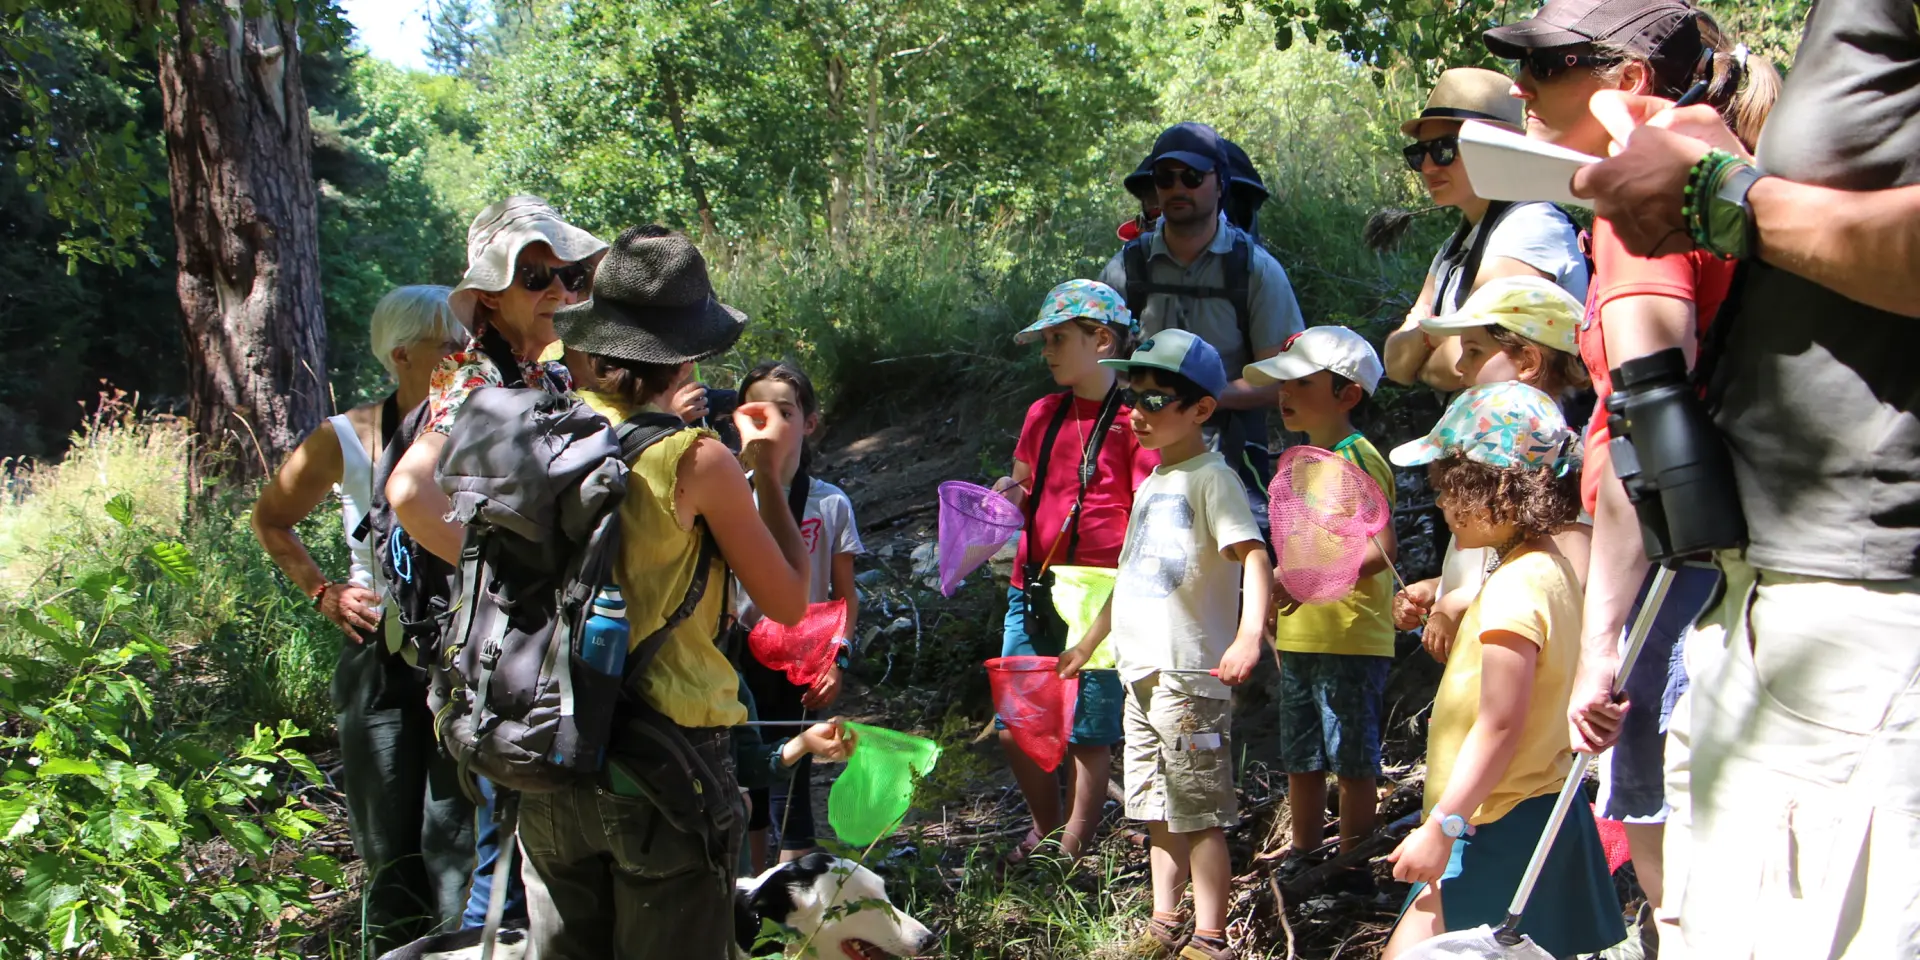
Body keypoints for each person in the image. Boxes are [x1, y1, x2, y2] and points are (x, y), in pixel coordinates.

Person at [1566, 0, 1920, 954]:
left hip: (1867, 616)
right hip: (1764, 597)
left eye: (1551, 64)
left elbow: (1650, 381)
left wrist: (1728, 197)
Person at [1481, 0, 1778, 943]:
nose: (1522, 87)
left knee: (1686, 875)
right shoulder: (1725, 161)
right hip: (1759, 559)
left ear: (1628, 84)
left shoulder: (1642, 187)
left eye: (1552, 63)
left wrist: (1600, 644)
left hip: (1682, 577)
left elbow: (1646, 418)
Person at [519, 224, 821, 959]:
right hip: (664, 762)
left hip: (545, 752)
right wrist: (771, 482)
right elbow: (787, 602)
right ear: (688, 353)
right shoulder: (698, 460)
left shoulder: (544, 430)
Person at [385, 196, 608, 933]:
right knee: (505, 857)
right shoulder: (474, 379)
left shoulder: (536, 373)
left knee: (534, 849)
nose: (559, 292)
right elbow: (411, 492)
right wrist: (515, 576)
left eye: (570, 276)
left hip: (528, 656)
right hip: (504, 656)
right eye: (534, 274)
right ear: (487, 294)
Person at [249, 285, 471, 948]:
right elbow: (272, 518)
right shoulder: (346, 437)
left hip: (463, 653)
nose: (463, 353)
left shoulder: (482, 428)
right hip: (377, 655)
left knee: (458, 836)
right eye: (446, 343)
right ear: (401, 355)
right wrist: (323, 591)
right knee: (387, 841)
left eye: (466, 339)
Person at [1381, 382, 1623, 959]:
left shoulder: (1517, 589)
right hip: (1507, 810)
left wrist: (1442, 825)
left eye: (1447, 488)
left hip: (1494, 820)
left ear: (1494, 489)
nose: (1439, 503)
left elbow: (1499, 724)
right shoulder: (1548, 569)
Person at [1059, 329, 1273, 960]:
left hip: (1190, 676)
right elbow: (1128, 579)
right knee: (1154, 801)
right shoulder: (1153, 483)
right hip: (1141, 673)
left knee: (1198, 804)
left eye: (1156, 401)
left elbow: (1254, 557)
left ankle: (1210, 935)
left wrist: (1248, 636)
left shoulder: (1214, 479)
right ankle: (1164, 920)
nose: (1137, 413)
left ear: (1201, 410)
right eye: (1134, 398)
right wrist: (1089, 644)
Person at [987, 280, 1155, 866]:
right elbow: (1023, 485)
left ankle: (1074, 843)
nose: (1048, 351)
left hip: (1099, 592)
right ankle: (1046, 823)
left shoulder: (1136, 421)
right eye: (1046, 340)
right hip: (1033, 585)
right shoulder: (1043, 413)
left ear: (1101, 339)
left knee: (1090, 727)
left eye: (1059, 339)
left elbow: (1147, 512)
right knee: (1016, 722)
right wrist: (1005, 498)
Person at [1239, 327, 1397, 875]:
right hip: (1302, 633)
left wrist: (1305, 579)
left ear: (1347, 394)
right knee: (1301, 753)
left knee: (1352, 757)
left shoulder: (1356, 456)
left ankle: (1353, 861)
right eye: (1282, 382)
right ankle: (1304, 850)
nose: (1285, 393)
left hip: (1351, 636)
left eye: (1302, 382)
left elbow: (1380, 550)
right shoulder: (1300, 462)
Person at [1100, 122, 1307, 525]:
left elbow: (1282, 380)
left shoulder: (1255, 272)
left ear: (1220, 183)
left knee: (1236, 570)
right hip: (1141, 456)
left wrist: (1199, 400)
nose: (1178, 188)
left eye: (1193, 177)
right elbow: (1100, 363)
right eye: (1165, 177)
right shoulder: (1125, 269)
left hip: (1232, 459)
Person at [1391, 277, 1595, 664]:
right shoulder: (1484, 455)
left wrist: (1463, 600)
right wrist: (1439, 588)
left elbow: (1566, 579)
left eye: (1473, 351)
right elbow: (1498, 560)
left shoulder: (1552, 465)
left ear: (1528, 362)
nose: (1458, 366)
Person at [1382, 68, 1590, 393]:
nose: (1427, 166)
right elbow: (1394, 364)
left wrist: (1425, 336)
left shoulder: (1529, 228)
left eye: (1444, 150)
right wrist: (1431, 336)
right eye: (1418, 153)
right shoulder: (1456, 245)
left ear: (1496, 148)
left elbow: (1455, 367)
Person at [733, 359, 864, 872]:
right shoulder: (729, 494)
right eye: (756, 412)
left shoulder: (829, 504)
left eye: (785, 411)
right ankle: (751, 893)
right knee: (748, 773)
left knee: (796, 780)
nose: (771, 424)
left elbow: (845, 593)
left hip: (806, 656)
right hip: (737, 651)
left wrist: (839, 658)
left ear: (809, 422)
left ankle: (793, 909)